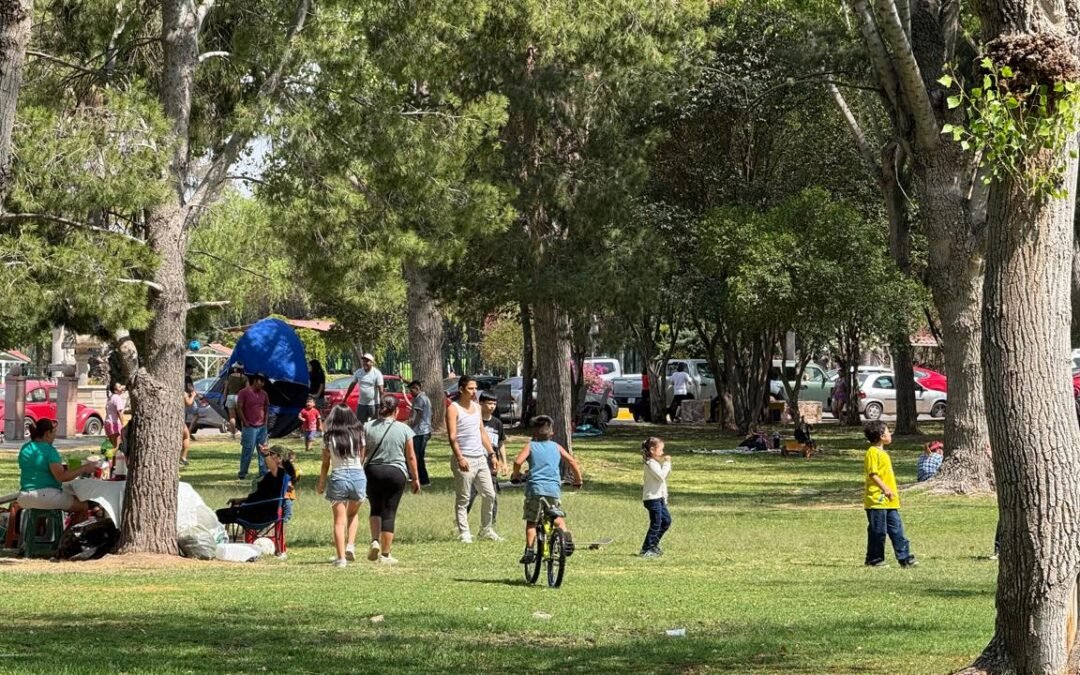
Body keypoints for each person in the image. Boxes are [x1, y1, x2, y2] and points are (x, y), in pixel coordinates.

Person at [512, 415, 583, 564]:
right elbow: (572, 461)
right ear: (552, 433)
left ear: (534, 433)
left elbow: (518, 461)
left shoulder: (531, 446)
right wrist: (578, 480)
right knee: (557, 517)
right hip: (553, 489)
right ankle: (565, 537)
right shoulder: (556, 447)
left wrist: (516, 475)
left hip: (535, 489)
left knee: (532, 521)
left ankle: (530, 551)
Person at [363, 395, 422, 565]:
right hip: (396, 472)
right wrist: (415, 478)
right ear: (396, 410)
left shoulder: (368, 426)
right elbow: (411, 456)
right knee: (389, 512)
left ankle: (374, 540)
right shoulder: (404, 429)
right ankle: (385, 555)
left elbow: (363, 452)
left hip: (372, 471)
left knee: (375, 508)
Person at [447, 374, 500, 543]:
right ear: (461, 389)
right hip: (464, 458)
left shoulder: (477, 408)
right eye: (470, 388)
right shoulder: (453, 408)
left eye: (475, 388)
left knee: (490, 494)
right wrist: (460, 457)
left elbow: (482, 432)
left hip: (480, 458)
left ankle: (486, 529)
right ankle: (464, 532)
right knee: (464, 497)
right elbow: (452, 437)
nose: (474, 391)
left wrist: (492, 454)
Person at [316, 405, 367, 568]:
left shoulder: (328, 436)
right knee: (353, 514)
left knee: (339, 521)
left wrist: (322, 483)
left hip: (339, 475)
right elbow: (362, 455)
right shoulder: (359, 433)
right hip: (358, 475)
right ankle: (350, 546)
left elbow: (325, 463)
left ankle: (341, 558)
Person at [863, 421, 917, 568]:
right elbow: (873, 474)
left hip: (890, 501)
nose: (890, 434)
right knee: (878, 531)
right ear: (881, 436)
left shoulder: (883, 453)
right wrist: (885, 488)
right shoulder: (872, 452)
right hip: (877, 500)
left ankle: (905, 558)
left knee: (897, 529)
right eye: (888, 431)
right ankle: (874, 559)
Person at [17, 419, 96, 513]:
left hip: (24, 496)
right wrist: (85, 468)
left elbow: (37, 467)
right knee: (83, 506)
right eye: (54, 432)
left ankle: (41, 526)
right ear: (47, 434)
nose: (55, 436)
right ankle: (70, 528)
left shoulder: (25, 447)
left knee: (68, 498)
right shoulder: (49, 451)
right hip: (44, 495)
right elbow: (61, 477)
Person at [216, 445, 290, 526]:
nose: (267, 457)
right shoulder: (273, 476)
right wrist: (241, 500)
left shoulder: (281, 474)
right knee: (220, 513)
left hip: (259, 515)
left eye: (271, 454)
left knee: (217, 515)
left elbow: (274, 469)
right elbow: (261, 497)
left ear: (280, 458)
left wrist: (266, 454)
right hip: (258, 510)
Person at [468, 391, 505, 524]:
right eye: (489, 403)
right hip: (476, 459)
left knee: (492, 493)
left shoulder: (497, 423)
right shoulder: (474, 421)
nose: (492, 406)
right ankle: (462, 520)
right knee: (470, 493)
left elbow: (501, 443)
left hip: (491, 462)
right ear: (481, 403)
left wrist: (504, 462)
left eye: (494, 403)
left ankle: (491, 523)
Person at [640, 436, 672, 558]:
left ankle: (653, 545)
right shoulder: (650, 463)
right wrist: (667, 463)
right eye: (661, 450)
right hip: (651, 499)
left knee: (666, 521)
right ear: (652, 450)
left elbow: (661, 482)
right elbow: (661, 476)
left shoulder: (655, 463)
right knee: (656, 523)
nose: (663, 453)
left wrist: (665, 497)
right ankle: (646, 548)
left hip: (659, 498)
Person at [236, 373, 271, 480]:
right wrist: (245, 422)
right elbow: (239, 407)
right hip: (249, 426)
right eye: (261, 381)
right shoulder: (244, 392)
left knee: (263, 450)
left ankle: (263, 472)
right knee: (248, 450)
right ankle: (243, 473)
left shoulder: (264, 394)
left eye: (264, 382)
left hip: (261, 427)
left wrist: (265, 421)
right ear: (255, 381)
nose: (263, 384)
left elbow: (266, 407)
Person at [344, 353, 384, 424]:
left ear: (372, 363)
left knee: (374, 424)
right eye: (364, 361)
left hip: (373, 404)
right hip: (361, 404)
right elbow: (352, 384)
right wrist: (346, 397)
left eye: (367, 361)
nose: (365, 363)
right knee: (360, 424)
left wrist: (382, 403)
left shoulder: (377, 373)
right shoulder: (359, 372)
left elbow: (381, 390)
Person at [407, 380, 432, 486]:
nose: (410, 392)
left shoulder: (420, 399)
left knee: (418, 456)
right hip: (423, 430)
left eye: (411, 389)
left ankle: (424, 479)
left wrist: (411, 427)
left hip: (421, 431)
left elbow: (419, 415)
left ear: (417, 388)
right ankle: (412, 475)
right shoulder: (423, 398)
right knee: (416, 455)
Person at [224, 363, 247, 439]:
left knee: (232, 417)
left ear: (235, 369)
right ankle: (243, 434)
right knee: (242, 417)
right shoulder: (244, 378)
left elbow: (226, 388)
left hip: (230, 397)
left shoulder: (230, 377)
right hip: (240, 397)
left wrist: (224, 398)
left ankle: (232, 434)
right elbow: (248, 389)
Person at [104, 381, 127, 452]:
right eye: (119, 387)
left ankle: (111, 462)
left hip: (107, 423)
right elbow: (119, 412)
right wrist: (123, 424)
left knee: (113, 447)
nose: (121, 388)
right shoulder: (117, 398)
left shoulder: (111, 397)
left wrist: (123, 387)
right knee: (117, 447)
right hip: (114, 424)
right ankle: (113, 462)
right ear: (115, 390)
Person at [283, 449, 299, 523]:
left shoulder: (295, 469)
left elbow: (296, 480)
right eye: (288, 459)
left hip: (289, 493)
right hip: (282, 492)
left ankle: (287, 517)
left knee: (288, 503)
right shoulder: (282, 468)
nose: (290, 461)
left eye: (292, 459)